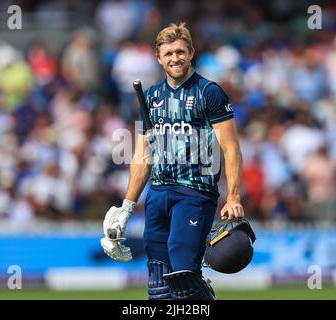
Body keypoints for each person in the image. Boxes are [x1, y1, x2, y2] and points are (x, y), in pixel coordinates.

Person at [101, 22, 244, 300]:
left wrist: (234, 196)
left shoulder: (209, 92)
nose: (175, 58)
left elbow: (231, 148)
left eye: (180, 51)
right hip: (157, 195)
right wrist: (127, 206)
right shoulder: (151, 96)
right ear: (158, 57)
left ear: (191, 52)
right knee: (158, 285)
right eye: (168, 54)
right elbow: (143, 154)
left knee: (184, 277)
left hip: (195, 193)